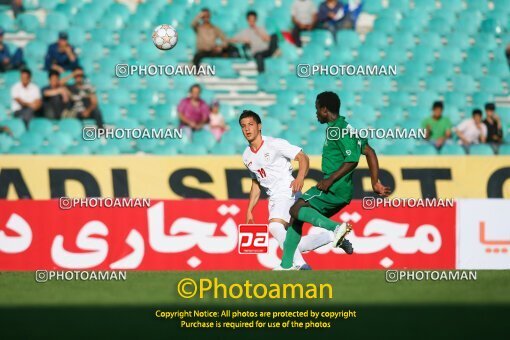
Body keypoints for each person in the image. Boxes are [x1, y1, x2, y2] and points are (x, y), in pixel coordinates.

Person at [278, 91, 389, 270]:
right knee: (296, 218)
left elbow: (352, 159)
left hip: (333, 188)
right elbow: (369, 151)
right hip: (341, 191)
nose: (315, 113)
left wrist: (330, 180)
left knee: (296, 208)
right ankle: (285, 265)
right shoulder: (347, 128)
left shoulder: (338, 130)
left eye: (316, 109)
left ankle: (336, 229)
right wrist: (374, 181)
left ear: (324, 109)